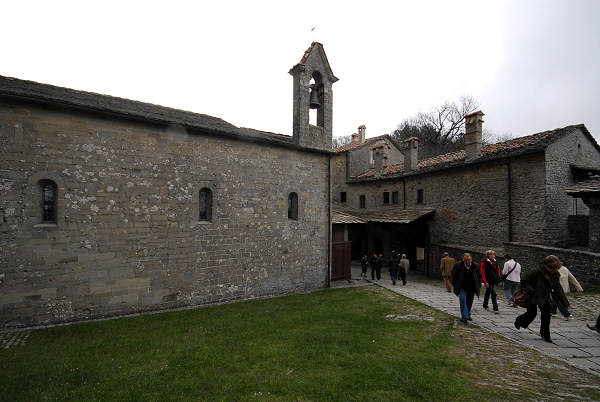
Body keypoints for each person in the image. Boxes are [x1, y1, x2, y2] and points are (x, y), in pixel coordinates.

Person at [514, 255, 569, 343]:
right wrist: (532, 291)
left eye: (556, 268)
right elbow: (524, 281)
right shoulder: (536, 271)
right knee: (532, 313)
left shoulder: (555, 274)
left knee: (546, 316)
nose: (554, 270)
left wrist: (565, 303)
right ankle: (519, 321)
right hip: (531, 296)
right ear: (546, 266)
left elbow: (558, 288)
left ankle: (545, 334)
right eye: (552, 268)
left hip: (544, 297)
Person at [451, 253, 481, 324]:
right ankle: (464, 316)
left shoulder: (476, 266)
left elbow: (479, 276)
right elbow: (453, 274)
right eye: (466, 260)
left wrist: (479, 285)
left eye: (469, 260)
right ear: (463, 260)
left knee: (469, 302)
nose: (468, 262)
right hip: (462, 287)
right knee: (463, 300)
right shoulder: (458, 265)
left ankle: (467, 314)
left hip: (472, 287)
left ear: (471, 259)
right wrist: (455, 284)